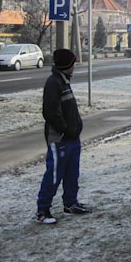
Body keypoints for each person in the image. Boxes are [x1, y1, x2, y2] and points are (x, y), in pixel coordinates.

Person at [36, 48, 90, 224]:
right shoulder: (54, 83)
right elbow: (50, 112)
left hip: (72, 138)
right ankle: (43, 211)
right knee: (54, 175)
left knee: (72, 174)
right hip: (60, 139)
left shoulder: (64, 81)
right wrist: (65, 130)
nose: (75, 66)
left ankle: (70, 204)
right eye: (73, 63)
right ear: (67, 65)